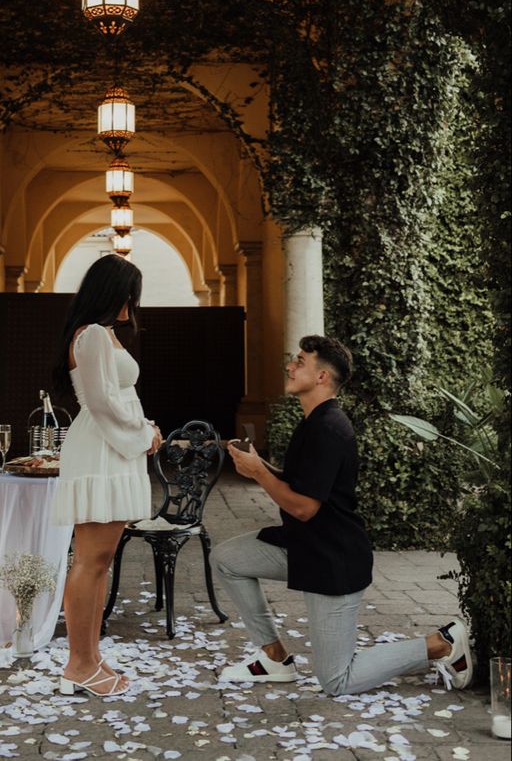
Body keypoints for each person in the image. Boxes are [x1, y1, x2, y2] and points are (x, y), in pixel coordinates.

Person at [212, 334, 473, 696]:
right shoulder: (313, 422)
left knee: (336, 680)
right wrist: (259, 465)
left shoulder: (329, 428)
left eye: (300, 361)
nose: (290, 365)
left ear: (322, 376)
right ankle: (274, 658)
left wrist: (258, 472)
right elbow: (304, 486)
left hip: (332, 560)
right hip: (302, 547)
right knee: (227, 558)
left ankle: (441, 644)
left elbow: (303, 507)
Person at [50, 253, 163, 697]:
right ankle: (78, 664)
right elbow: (100, 402)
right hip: (101, 450)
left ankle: (91, 657)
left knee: (101, 562)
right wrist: (144, 433)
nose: (132, 304)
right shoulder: (93, 334)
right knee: (90, 560)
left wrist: (142, 430)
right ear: (112, 292)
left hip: (115, 450)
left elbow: (116, 398)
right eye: (129, 294)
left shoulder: (105, 335)